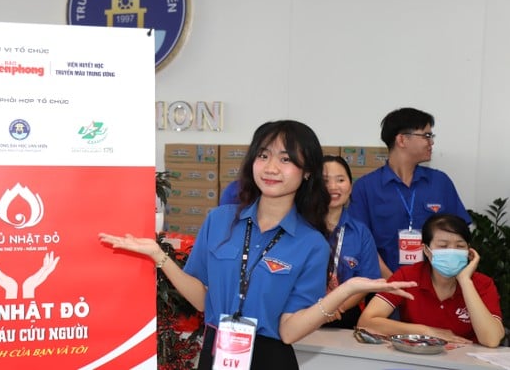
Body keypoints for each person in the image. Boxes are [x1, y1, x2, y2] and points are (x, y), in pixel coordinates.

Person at [100, 120, 417, 370]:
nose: (271, 168)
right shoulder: (219, 220)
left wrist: (343, 292)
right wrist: (160, 257)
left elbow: (290, 331)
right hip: (216, 351)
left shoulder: (311, 244)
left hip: (270, 357)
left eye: (286, 159)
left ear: (307, 172)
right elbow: (202, 300)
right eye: (263, 156)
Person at [348, 107, 471, 280]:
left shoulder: (440, 182)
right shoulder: (365, 187)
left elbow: (459, 236)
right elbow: (361, 242)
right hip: (384, 286)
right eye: (427, 136)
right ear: (402, 139)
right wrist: (393, 284)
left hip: (435, 287)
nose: (432, 142)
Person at [357, 214, 504, 347]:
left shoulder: (483, 284)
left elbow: (491, 340)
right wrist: (425, 331)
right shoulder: (408, 276)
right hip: (418, 359)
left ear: (469, 251)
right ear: (426, 250)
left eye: (460, 246)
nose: (452, 251)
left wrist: (465, 281)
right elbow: (366, 323)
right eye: (443, 246)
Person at [321, 155, 381, 329]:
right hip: (301, 314)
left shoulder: (361, 232)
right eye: (325, 181)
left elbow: (367, 282)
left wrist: (335, 308)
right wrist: (318, 311)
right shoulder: (301, 227)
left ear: (350, 186)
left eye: (340, 180)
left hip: (345, 317)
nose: (333, 187)